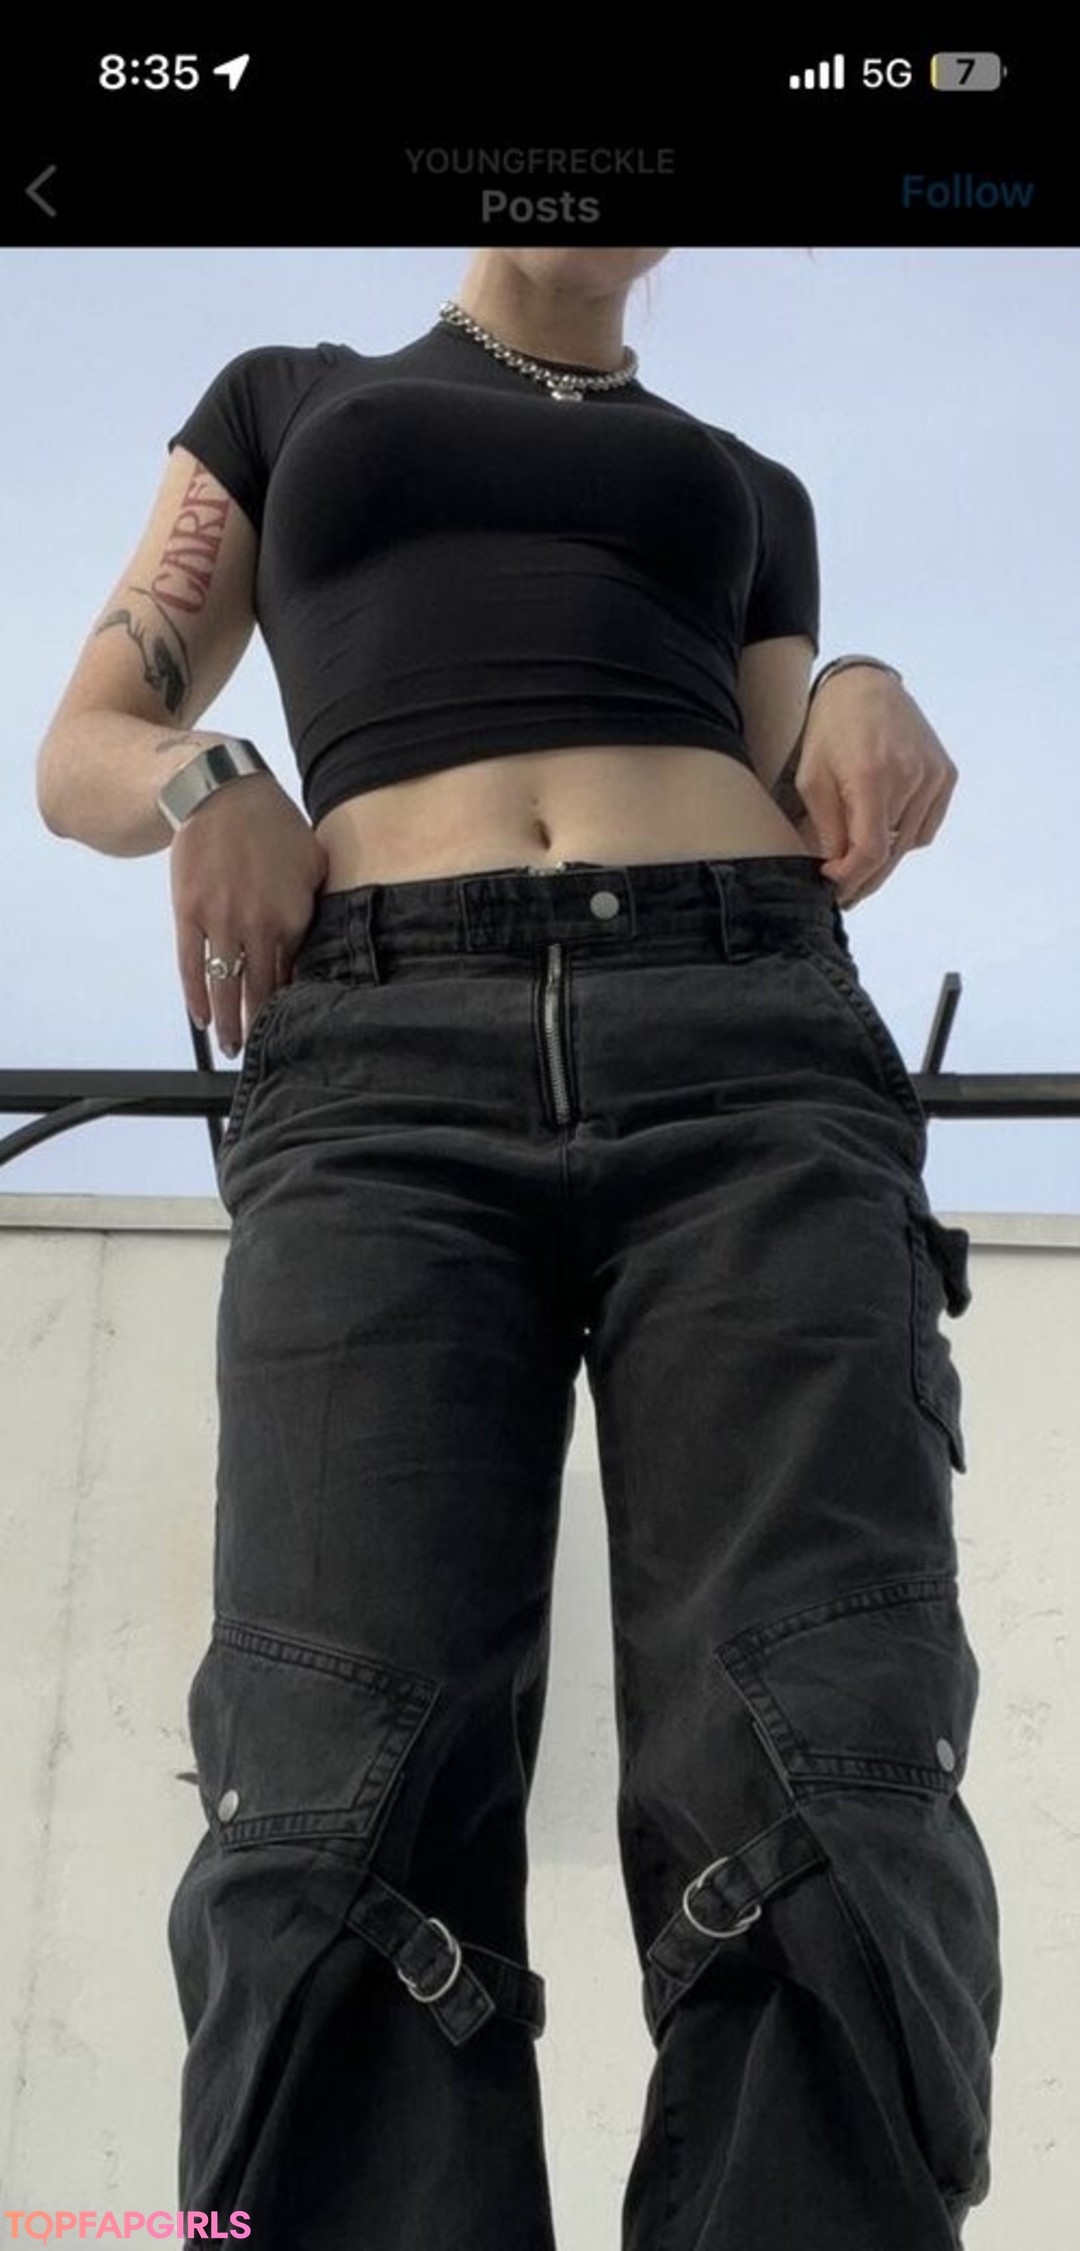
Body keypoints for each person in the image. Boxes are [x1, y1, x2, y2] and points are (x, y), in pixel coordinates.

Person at [36, 247, 1001, 2250]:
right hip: (382, 1062)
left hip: (748, 1045)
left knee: (825, 1770)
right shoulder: (290, 401)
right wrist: (216, 771)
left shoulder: (745, 487)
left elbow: (792, 788)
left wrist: (856, 683)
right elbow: (90, 739)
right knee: (331, 1789)